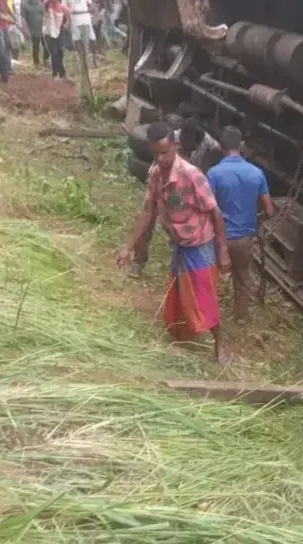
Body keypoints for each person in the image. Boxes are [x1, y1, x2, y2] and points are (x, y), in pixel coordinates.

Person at [115, 121, 231, 365]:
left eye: (165, 152)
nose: (160, 159)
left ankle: (220, 342)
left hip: (199, 243)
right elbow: (147, 211)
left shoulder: (192, 175)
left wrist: (222, 250)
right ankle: (181, 330)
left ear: (175, 146)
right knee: (178, 290)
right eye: (155, 154)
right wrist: (128, 247)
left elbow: (215, 212)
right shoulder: (155, 174)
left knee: (203, 295)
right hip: (178, 242)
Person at [128, 118, 222, 278]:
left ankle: (180, 257)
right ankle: (138, 261)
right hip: (162, 184)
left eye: (193, 144)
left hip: (186, 189)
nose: (189, 147)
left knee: (181, 221)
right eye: (186, 142)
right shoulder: (168, 139)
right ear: (180, 140)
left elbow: (219, 153)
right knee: (147, 221)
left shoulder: (208, 142)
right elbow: (159, 163)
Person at [206, 126, 275, 321]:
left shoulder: (214, 173)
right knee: (242, 278)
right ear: (242, 145)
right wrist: (257, 219)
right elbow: (269, 210)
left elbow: (208, 207)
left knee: (211, 275)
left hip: (219, 238)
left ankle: (208, 314)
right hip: (244, 238)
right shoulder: (257, 173)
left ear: (221, 147)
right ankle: (241, 316)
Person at [64, 0, 98, 66]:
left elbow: (90, 4)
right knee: (77, 39)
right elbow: (64, 8)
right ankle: (82, 60)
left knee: (92, 38)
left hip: (85, 16)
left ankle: (95, 57)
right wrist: (67, 19)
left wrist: (90, 12)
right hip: (74, 17)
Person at [43, 0, 68, 79]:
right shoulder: (47, 5)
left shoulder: (62, 7)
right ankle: (56, 73)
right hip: (49, 33)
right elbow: (44, 6)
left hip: (60, 31)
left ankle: (61, 72)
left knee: (60, 52)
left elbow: (67, 17)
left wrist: (65, 24)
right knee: (54, 53)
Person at [22, 0, 48, 67]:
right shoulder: (25, 5)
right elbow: (23, 18)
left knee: (46, 45)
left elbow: (44, 15)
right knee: (36, 46)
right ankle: (36, 62)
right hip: (33, 29)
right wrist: (26, 30)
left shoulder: (40, 4)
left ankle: (46, 59)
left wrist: (45, 25)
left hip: (42, 28)